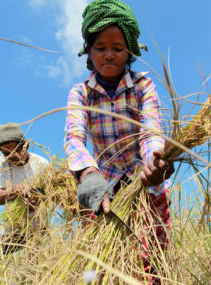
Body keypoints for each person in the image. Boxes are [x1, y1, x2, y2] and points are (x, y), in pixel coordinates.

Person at [63, 0, 174, 283]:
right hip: (105, 190)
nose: (109, 55)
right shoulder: (81, 94)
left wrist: (155, 162)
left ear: (130, 52)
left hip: (145, 184)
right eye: (100, 47)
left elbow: (151, 132)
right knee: (101, 266)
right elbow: (74, 138)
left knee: (150, 266)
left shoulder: (142, 87)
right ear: (88, 51)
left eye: (117, 48)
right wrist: (88, 174)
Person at [0, 122, 49, 254]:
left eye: (15, 150)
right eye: (6, 153)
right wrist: (15, 190)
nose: (11, 156)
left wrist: (35, 201)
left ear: (25, 146)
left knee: (34, 265)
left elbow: (49, 196)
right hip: (12, 226)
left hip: (37, 227)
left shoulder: (42, 164)